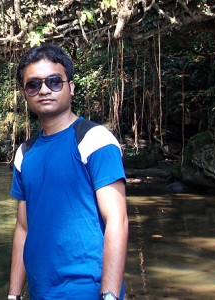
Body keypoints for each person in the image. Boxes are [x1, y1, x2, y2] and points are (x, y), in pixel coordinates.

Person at [8, 44, 128, 300]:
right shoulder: (24, 153)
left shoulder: (94, 140)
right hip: (41, 292)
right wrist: (14, 295)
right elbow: (22, 228)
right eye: (33, 85)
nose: (44, 90)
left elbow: (117, 221)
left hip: (88, 289)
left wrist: (109, 295)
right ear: (25, 94)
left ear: (71, 87)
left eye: (54, 81)